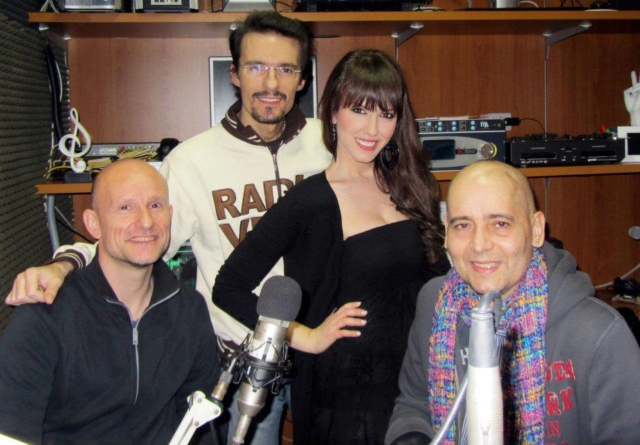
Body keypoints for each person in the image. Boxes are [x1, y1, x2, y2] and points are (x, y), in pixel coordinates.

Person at [4, 11, 331, 445]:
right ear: (234, 74)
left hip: (323, 350)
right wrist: (65, 263)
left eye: (285, 69)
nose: (271, 83)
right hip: (242, 360)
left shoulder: (330, 144)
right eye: (256, 66)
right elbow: (139, 236)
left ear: (302, 79)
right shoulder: (193, 161)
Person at [212, 49, 449, 445]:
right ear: (334, 111)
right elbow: (228, 287)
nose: (372, 128)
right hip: (344, 399)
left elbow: (436, 280)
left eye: (386, 114)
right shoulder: (309, 201)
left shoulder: (412, 185)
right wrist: (304, 336)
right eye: (360, 110)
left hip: (416, 381)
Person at [385, 160, 640, 445]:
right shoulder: (433, 304)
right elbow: (414, 403)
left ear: (536, 229)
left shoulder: (600, 333)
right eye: (463, 225)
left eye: (500, 224)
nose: (479, 245)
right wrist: (410, 436)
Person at [0, 159, 219, 444]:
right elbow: (11, 435)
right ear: (94, 224)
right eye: (125, 207)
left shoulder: (189, 309)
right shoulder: (42, 317)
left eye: (155, 205)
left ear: (170, 214)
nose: (145, 221)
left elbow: (199, 424)